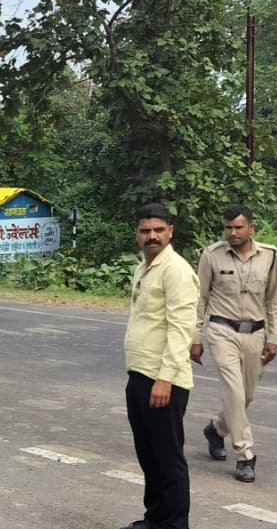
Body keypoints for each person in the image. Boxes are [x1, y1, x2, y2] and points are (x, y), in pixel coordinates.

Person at [192, 205, 277, 483]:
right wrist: (194, 337)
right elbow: (200, 299)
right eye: (229, 227)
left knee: (246, 396)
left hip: (255, 333)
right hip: (222, 330)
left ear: (251, 228)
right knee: (233, 391)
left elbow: (274, 299)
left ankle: (217, 429)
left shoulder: (269, 255)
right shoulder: (212, 255)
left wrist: (274, 336)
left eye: (238, 227)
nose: (233, 232)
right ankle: (245, 455)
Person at [120, 203, 198, 529]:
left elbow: (181, 327)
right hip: (140, 373)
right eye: (145, 231)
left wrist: (165, 379)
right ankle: (155, 519)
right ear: (137, 234)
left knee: (168, 459)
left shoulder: (175, 270)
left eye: (158, 230)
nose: (151, 236)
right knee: (149, 457)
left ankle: (175, 525)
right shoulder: (145, 267)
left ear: (170, 232)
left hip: (162, 380)